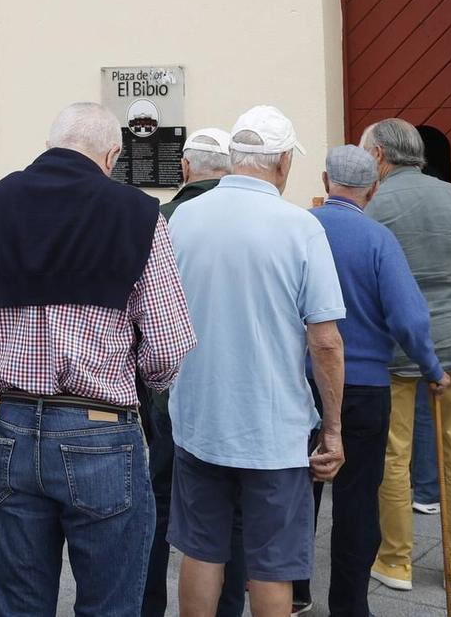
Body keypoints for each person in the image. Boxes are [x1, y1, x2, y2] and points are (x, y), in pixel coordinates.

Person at [0, 102, 196, 617]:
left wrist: (9, 373)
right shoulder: (138, 213)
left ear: (50, 144)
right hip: (102, 430)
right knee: (109, 606)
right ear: (111, 155)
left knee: (19, 605)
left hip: (13, 427)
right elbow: (169, 345)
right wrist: (144, 379)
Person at [167, 105, 344, 617]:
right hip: (274, 428)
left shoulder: (184, 218)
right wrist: (332, 428)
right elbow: (325, 340)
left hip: (199, 416)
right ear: (284, 162)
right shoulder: (300, 227)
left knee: (200, 552)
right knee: (271, 564)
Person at [303, 146, 447, 617]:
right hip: (364, 387)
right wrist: (432, 368)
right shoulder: (378, 239)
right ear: (374, 188)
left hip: (301, 382)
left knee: (296, 492)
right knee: (358, 500)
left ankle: (291, 589)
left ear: (326, 180)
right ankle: (348, 605)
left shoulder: (299, 228)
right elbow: (408, 318)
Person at [363, 118, 451, 595]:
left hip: (395, 348)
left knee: (393, 455)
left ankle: (395, 561)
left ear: (379, 156)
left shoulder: (374, 205)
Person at [141, 128, 245, 617]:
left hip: (168, 386)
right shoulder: (254, 219)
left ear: (184, 167)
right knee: (231, 510)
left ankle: (149, 604)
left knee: (158, 500)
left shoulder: (159, 220)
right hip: (234, 389)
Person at [407, 125, 451, 517]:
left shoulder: (380, 201)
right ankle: (429, 488)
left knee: (406, 414)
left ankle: (416, 486)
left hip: (398, 327)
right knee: (440, 415)